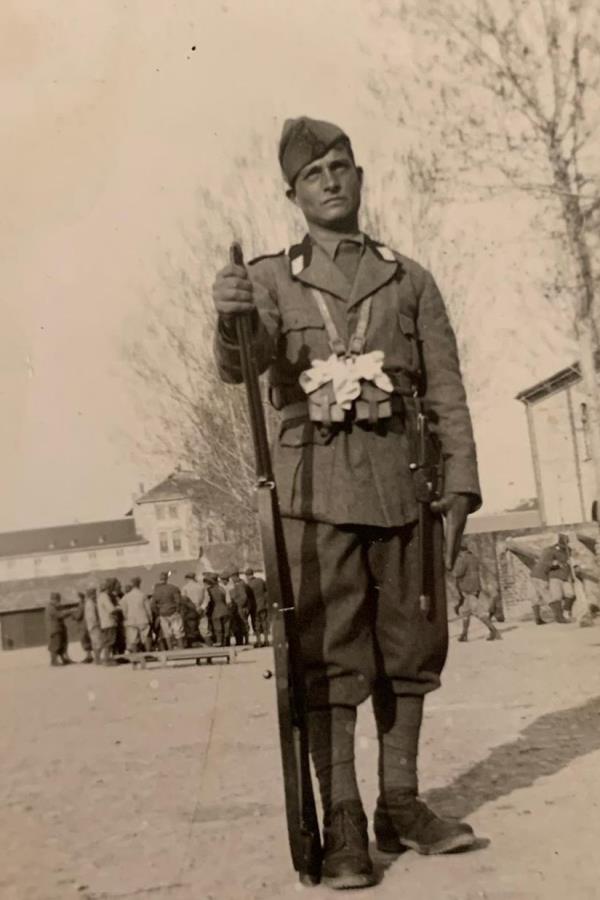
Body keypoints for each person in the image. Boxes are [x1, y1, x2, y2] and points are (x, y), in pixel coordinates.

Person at [212, 116, 481, 889]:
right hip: (316, 495)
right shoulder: (268, 279)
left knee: (411, 648)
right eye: (314, 174)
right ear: (292, 194)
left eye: (342, 167)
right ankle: (344, 823)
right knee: (331, 661)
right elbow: (248, 362)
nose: (331, 181)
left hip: (405, 485)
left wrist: (459, 484)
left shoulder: (410, 279)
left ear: (360, 177)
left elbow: (449, 390)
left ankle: (402, 803)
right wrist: (229, 318)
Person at [453, 543, 501, 642]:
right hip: (474, 588)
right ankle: (464, 634)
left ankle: (494, 631)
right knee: (465, 612)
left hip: (469, 590)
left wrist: (453, 565)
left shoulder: (463, 558)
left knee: (478, 612)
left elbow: (457, 573)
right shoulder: (473, 557)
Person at [530, 536, 573, 624]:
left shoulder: (547, 550)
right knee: (550, 598)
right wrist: (556, 563)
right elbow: (547, 563)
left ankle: (538, 619)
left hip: (533, 575)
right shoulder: (550, 551)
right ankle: (559, 618)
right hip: (541, 576)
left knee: (535, 597)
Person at [152, 571, 185, 649]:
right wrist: (178, 610)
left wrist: (158, 612)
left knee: (167, 634)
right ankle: (181, 649)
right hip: (173, 612)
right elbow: (178, 601)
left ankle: (170, 650)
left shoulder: (156, 591)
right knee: (178, 632)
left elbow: (153, 604)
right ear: (167, 578)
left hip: (163, 613)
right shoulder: (173, 588)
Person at [120, 577, 152, 652]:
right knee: (147, 636)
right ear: (139, 584)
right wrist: (150, 619)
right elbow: (148, 609)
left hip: (131, 620)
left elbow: (124, 609)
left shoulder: (126, 597)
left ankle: (136, 656)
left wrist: (126, 618)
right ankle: (148, 653)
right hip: (142, 619)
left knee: (133, 639)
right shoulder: (143, 595)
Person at [45, 592, 73, 666]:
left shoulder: (54, 607)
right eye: (58, 600)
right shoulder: (50, 607)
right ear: (53, 599)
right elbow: (59, 615)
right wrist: (69, 612)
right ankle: (53, 661)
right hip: (54, 629)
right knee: (55, 645)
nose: (59, 602)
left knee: (61, 645)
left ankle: (64, 659)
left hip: (58, 628)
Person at [245, 567, 269, 647]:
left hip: (254, 607)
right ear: (253, 573)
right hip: (263, 605)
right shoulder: (260, 580)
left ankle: (259, 641)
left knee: (256, 624)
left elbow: (247, 598)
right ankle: (266, 640)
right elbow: (266, 591)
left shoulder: (248, 585)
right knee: (264, 622)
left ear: (247, 576)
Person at [97, 579, 118, 664]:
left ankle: (105, 659)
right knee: (109, 642)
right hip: (109, 622)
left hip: (104, 623)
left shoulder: (100, 596)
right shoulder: (104, 596)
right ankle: (107, 660)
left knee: (106, 642)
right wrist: (119, 608)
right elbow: (111, 609)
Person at [70, 591, 94, 663]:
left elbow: (78, 616)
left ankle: (89, 656)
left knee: (84, 640)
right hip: (87, 624)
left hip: (83, 625)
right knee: (88, 640)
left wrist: (72, 614)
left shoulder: (81, 604)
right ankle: (90, 656)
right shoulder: (86, 602)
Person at [83, 586, 103, 664]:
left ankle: (97, 659)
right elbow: (92, 616)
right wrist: (98, 623)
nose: (95, 595)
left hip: (91, 626)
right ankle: (97, 659)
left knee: (95, 642)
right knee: (98, 642)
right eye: (94, 593)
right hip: (94, 626)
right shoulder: (90, 603)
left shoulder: (89, 603)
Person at [210, 574, 231, 647]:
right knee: (226, 627)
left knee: (218, 627)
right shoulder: (223, 589)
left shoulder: (210, 590)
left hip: (216, 610)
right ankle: (226, 642)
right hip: (225, 610)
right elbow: (229, 601)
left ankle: (219, 642)